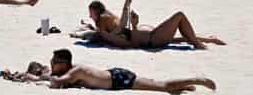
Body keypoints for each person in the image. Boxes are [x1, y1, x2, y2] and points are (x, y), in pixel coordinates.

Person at [46, 48, 216, 92]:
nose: (52, 65)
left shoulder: (75, 71)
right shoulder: (73, 70)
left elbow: (57, 81)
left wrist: (32, 78)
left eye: (54, 63)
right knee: (157, 85)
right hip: (116, 77)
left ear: (63, 63)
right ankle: (185, 86)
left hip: (118, 80)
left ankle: (197, 80)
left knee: (162, 86)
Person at [86, 0, 226, 49]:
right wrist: (135, 26)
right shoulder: (113, 38)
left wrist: (127, 5)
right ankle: (198, 44)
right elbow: (133, 44)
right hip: (153, 39)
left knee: (178, 37)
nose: (90, 16)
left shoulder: (111, 31)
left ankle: (208, 39)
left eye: (91, 13)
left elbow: (122, 27)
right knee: (179, 16)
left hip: (152, 36)